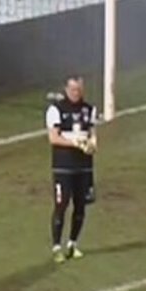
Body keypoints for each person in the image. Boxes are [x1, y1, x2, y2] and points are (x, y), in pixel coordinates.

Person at [46, 76, 99, 263]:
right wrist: (75, 143)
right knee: (61, 206)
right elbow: (53, 138)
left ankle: (72, 244)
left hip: (84, 167)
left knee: (81, 206)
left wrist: (92, 145)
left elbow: (93, 134)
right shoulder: (56, 110)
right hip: (63, 167)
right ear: (66, 89)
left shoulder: (89, 109)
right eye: (73, 89)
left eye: (79, 89)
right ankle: (56, 247)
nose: (77, 93)